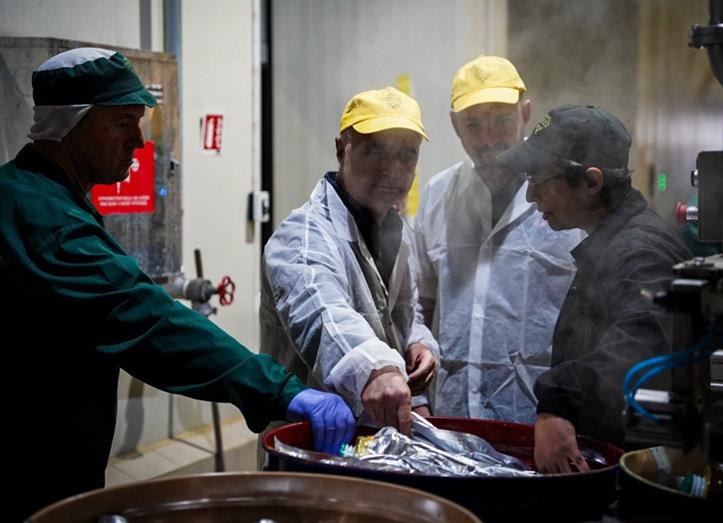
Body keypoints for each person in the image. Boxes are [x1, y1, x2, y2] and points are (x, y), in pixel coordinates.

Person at [0, 47, 355, 521]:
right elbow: (148, 322)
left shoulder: (32, 193)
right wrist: (281, 390)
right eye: (123, 122)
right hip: (30, 476)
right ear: (69, 125)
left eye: (139, 122)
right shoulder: (49, 224)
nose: (139, 140)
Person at [497, 104, 692, 473]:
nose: (530, 195)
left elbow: (641, 342)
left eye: (539, 179)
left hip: (636, 477)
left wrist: (561, 400)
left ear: (591, 183)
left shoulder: (642, 252)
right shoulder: (610, 243)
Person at [260, 86, 439, 433]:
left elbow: (403, 314)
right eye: (377, 151)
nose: (393, 169)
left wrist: (417, 342)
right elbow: (323, 312)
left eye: (407, 154)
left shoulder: (397, 233)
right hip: (309, 442)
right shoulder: (303, 236)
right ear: (342, 149)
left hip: (375, 441)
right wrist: (377, 369)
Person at [414, 55, 582, 423]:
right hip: (451, 417)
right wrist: (417, 397)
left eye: (502, 121)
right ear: (455, 125)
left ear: (526, 113)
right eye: (473, 124)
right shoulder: (438, 196)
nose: (490, 139)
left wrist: (572, 414)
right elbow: (419, 305)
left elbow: (593, 318)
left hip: (539, 422)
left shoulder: (567, 197)